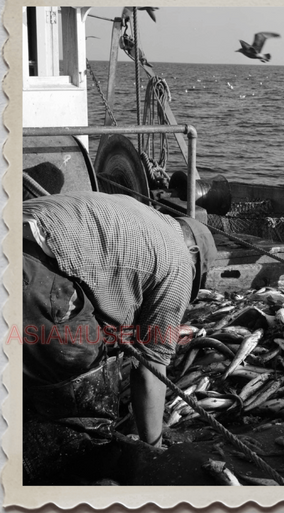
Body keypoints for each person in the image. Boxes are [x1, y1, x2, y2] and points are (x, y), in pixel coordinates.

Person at [22, 191, 217, 483]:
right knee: (82, 393)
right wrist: (153, 449)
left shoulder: (137, 213)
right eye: (196, 274)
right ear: (193, 254)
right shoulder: (177, 261)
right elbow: (151, 371)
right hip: (30, 272)